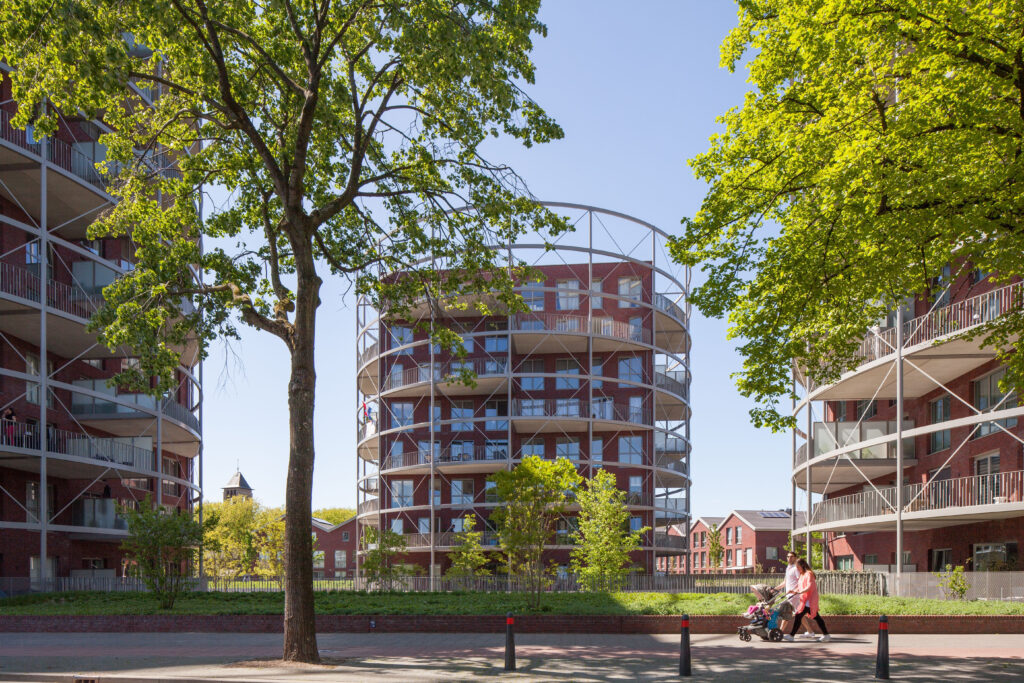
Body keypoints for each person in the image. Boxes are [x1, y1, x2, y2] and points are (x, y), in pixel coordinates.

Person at [784, 558, 831, 642]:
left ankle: (791, 635)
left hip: (810, 599)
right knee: (816, 617)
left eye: (798, 567)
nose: (797, 570)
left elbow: (809, 586)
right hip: (805, 600)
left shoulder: (809, 574)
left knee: (799, 616)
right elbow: (800, 586)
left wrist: (800, 592)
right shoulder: (802, 575)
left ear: (802, 566)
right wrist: (794, 591)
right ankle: (826, 635)